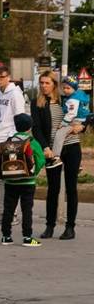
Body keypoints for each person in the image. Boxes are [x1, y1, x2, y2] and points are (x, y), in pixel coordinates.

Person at [46, 76, 86, 240]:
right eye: (42, 83)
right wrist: (45, 147)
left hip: (72, 147)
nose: (45, 86)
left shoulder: (68, 99)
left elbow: (83, 117)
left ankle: (70, 228)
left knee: (71, 189)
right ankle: (49, 226)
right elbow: (37, 128)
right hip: (52, 150)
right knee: (53, 189)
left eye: (48, 83)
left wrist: (82, 126)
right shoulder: (41, 104)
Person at [0, 66, 26, 227]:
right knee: (0, 179)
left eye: (1, 77)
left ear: (8, 77)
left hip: (8, 139)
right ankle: (3, 211)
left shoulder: (15, 94)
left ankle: (13, 213)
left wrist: (14, 138)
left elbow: (21, 118)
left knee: (11, 178)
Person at [0, 113, 44, 247]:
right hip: (28, 182)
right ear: (29, 127)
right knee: (27, 209)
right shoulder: (32, 142)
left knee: (8, 209)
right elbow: (40, 159)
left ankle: (6, 236)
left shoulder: (9, 141)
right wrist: (33, 172)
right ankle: (27, 237)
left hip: (10, 181)